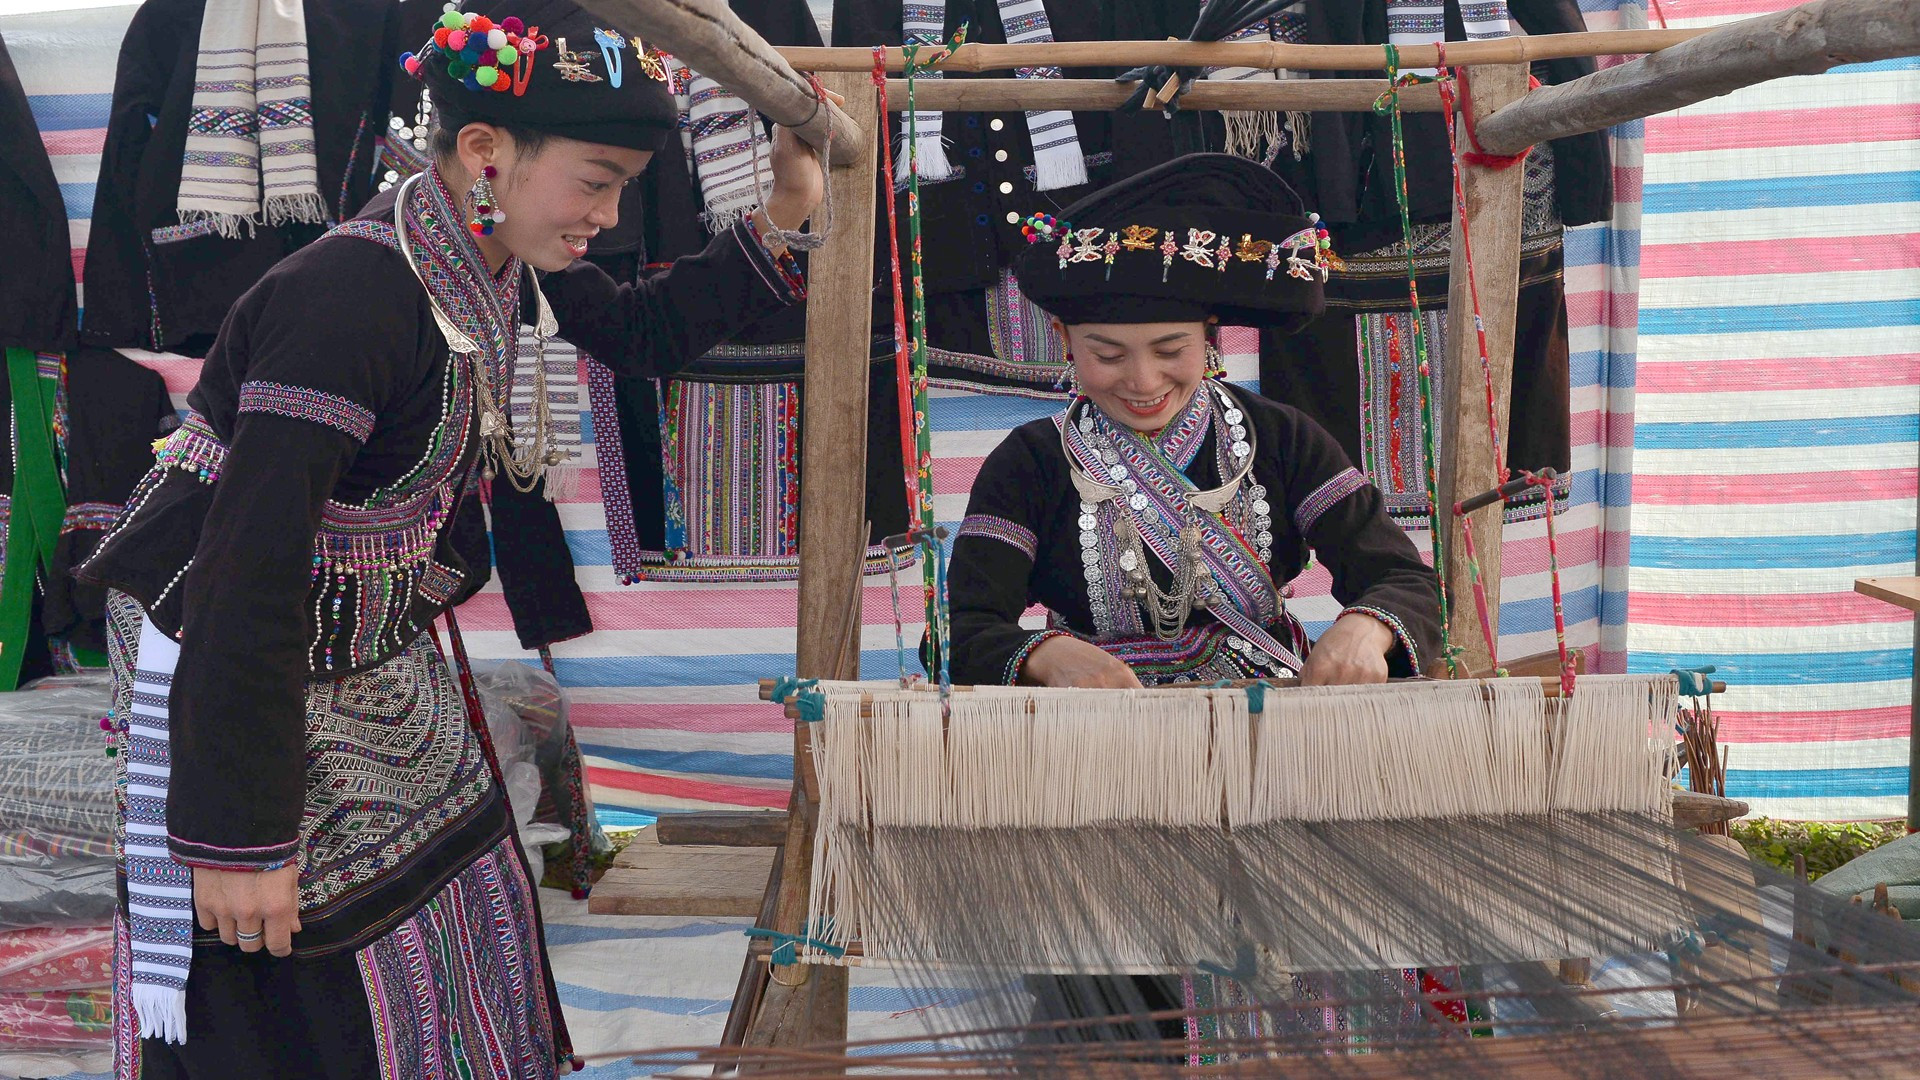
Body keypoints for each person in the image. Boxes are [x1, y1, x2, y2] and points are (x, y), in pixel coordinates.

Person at [74, 2, 826, 1076]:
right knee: (291, 959)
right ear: (485, 152)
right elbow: (249, 568)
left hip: (364, 639)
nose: (608, 218)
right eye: (597, 181)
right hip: (235, 650)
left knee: (461, 890)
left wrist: (785, 209)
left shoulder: (483, 245)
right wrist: (238, 837)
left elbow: (644, 334)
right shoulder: (348, 299)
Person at [945, 153, 1440, 693]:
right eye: (1108, 356)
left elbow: (1402, 579)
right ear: (1064, 338)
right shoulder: (1031, 462)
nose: (1143, 380)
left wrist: (1365, 630)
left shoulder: (1282, 438)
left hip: (1266, 717)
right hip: (1095, 728)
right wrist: (1046, 656)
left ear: (1209, 336)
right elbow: (963, 629)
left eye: (1170, 350)